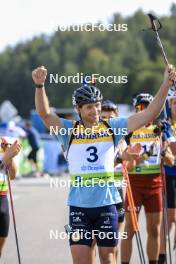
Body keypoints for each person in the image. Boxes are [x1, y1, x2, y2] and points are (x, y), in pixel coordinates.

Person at [32, 64, 175, 264]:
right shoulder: (68, 131)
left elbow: (148, 114)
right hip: (79, 207)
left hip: (107, 206)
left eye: (97, 105)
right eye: (89, 106)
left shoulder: (112, 127)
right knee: (81, 260)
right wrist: (40, 86)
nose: (96, 110)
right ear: (78, 109)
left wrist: (165, 85)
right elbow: (45, 114)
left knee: (108, 259)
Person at [121, 93, 174, 264]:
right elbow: (126, 165)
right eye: (141, 107)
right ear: (136, 108)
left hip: (155, 184)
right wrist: (145, 154)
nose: (144, 110)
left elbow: (171, 160)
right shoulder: (129, 130)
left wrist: (165, 152)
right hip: (134, 185)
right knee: (130, 230)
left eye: (148, 107)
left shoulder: (159, 130)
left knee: (154, 229)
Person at [159, 93, 176, 264]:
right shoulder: (165, 125)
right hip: (171, 175)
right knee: (169, 219)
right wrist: (168, 134)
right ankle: (161, 257)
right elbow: (171, 151)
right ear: (170, 105)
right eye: (175, 102)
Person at [0, 138, 21, 258]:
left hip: (2, 200)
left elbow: (12, 175)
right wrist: (5, 158)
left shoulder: (3, 141)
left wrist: (11, 157)